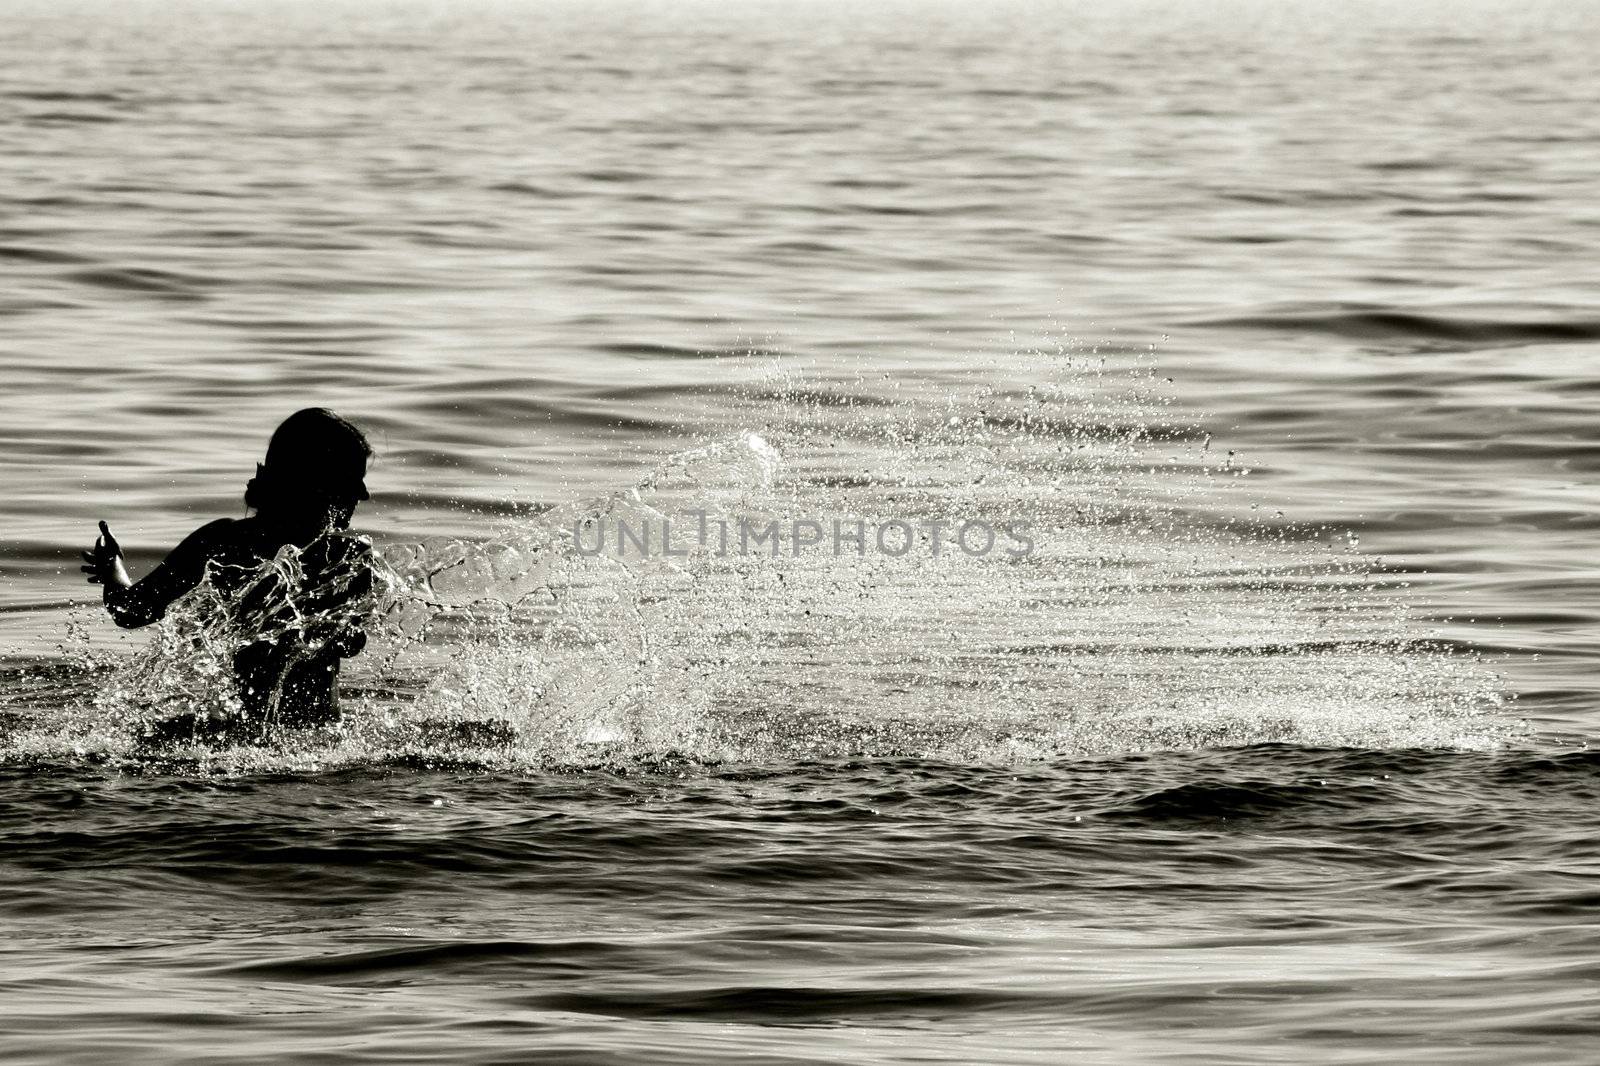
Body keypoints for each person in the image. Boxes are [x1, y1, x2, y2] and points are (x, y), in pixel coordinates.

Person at [81, 408, 376, 741]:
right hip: (321, 739)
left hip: (246, 737)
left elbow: (130, 610)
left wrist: (112, 569)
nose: (363, 494)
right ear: (321, 483)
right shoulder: (349, 556)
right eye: (354, 479)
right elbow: (350, 643)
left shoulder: (224, 542)